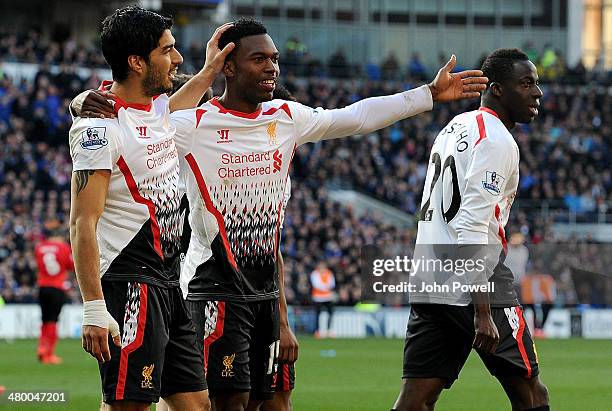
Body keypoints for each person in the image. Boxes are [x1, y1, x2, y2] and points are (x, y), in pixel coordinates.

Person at [74, 17, 487, 411]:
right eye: (260, 59)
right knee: (209, 402)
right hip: (210, 288)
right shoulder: (193, 124)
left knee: (259, 402)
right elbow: (136, 118)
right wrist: (85, 102)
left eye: (274, 58)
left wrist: (428, 94)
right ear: (229, 69)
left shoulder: (286, 118)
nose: (272, 67)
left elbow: (356, 116)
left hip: (262, 294)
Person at [68, 6, 232, 410]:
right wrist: (93, 308)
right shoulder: (98, 129)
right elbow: (81, 223)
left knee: (196, 404)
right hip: (129, 281)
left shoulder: (157, 110)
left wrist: (210, 70)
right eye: (167, 50)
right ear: (137, 62)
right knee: (129, 405)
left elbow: (176, 104)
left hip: (166, 280)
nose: (176, 58)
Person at [392, 49, 549, 411]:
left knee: (415, 400)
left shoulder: (454, 127)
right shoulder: (496, 140)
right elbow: (473, 226)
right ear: (496, 89)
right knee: (532, 394)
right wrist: (482, 310)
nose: (537, 93)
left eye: (537, 84)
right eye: (526, 84)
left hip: (430, 274)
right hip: (476, 279)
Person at [35, 220, 74, 364]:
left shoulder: (40, 247)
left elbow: (39, 266)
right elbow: (71, 265)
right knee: (53, 320)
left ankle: (41, 348)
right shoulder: (63, 247)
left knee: (44, 320)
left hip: (42, 287)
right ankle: (49, 354)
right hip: (57, 287)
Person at [310, 262, 336, 338]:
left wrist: (325, 287)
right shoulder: (315, 273)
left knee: (330, 313)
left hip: (328, 297)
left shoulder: (329, 273)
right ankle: (317, 331)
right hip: (318, 297)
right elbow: (316, 285)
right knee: (317, 315)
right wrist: (326, 287)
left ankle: (329, 330)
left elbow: (332, 284)